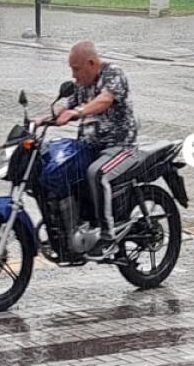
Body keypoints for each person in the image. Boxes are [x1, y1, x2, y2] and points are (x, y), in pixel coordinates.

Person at [54, 40, 139, 256]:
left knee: (96, 173)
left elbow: (105, 100)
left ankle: (108, 237)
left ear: (91, 63)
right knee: (61, 165)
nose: (74, 76)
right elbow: (66, 105)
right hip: (91, 146)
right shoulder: (83, 84)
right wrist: (42, 118)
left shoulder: (113, 74)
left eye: (76, 69)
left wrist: (79, 113)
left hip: (120, 146)